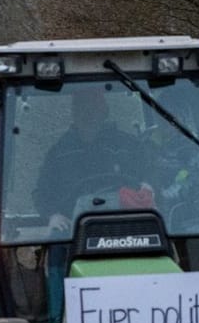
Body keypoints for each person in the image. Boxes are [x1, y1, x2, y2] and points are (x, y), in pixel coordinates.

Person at [35, 89, 158, 231]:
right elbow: (42, 192)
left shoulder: (128, 146)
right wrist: (52, 215)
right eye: (82, 108)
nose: (87, 115)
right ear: (74, 113)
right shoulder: (59, 153)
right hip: (72, 230)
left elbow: (151, 174)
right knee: (54, 248)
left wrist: (149, 184)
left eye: (92, 109)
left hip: (128, 223)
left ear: (103, 112)